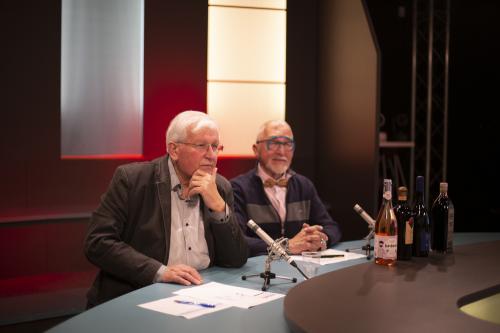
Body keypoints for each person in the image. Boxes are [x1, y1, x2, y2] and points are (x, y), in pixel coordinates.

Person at [84, 111, 248, 307]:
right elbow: (98, 242)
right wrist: (160, 271)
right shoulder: (133, 179)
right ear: (174, 149)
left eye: (215, 147)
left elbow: (236, 259)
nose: (212, 155)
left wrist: (219, 207)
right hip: (139, 293)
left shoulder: (220, 187)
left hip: (204, 293)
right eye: (201, 146)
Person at [231, 120, 341, 257]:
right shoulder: (237, 188)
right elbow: (235, 241)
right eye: (274, 143)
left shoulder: (304, 185)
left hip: (302, 268)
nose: (281, 151)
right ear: (256, 149)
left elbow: (331, 227)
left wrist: (319, 240)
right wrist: (285, 246)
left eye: (288, 144)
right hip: (258, 271)